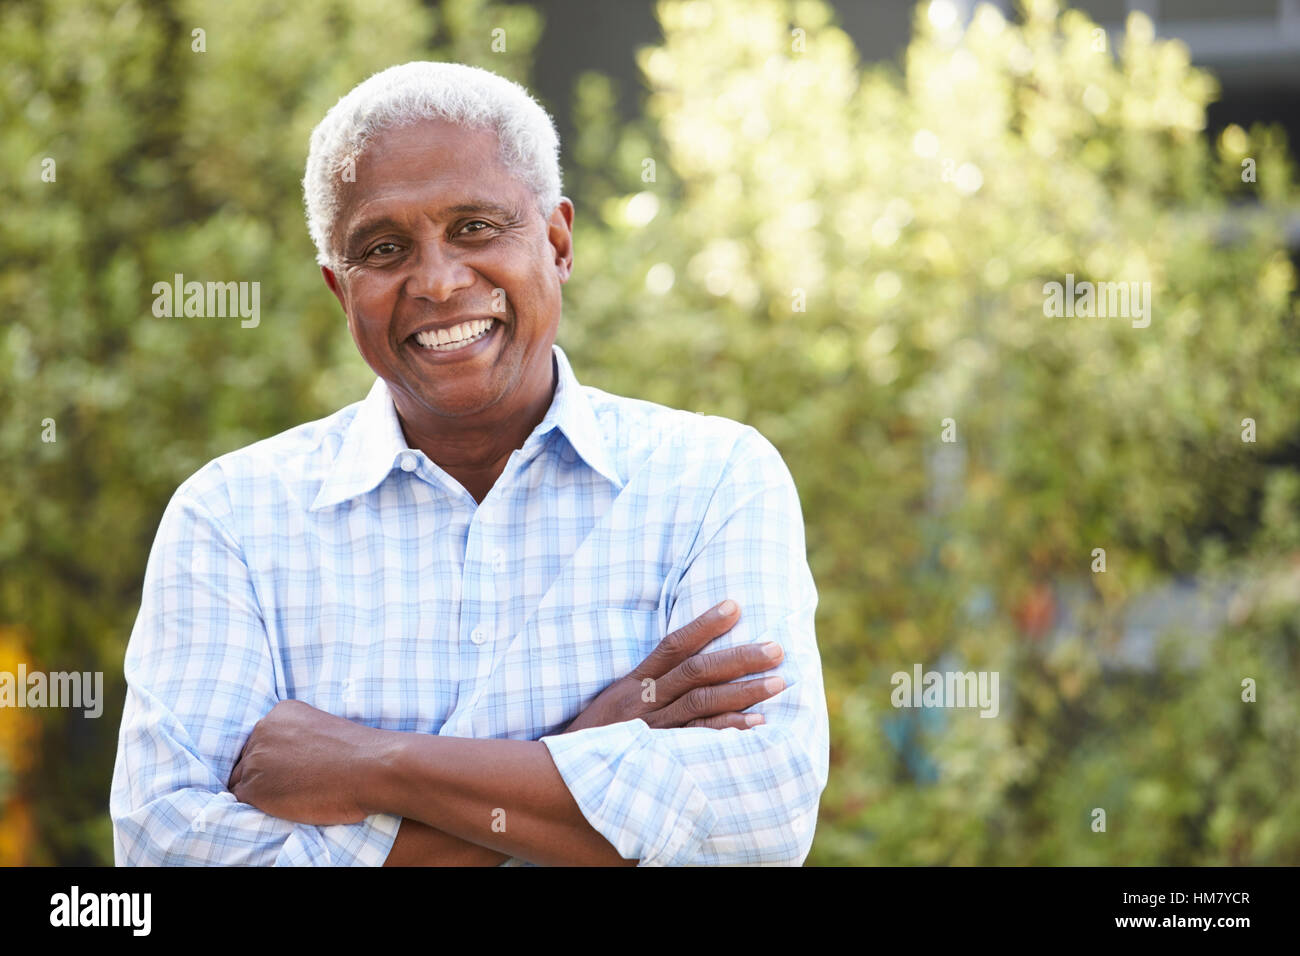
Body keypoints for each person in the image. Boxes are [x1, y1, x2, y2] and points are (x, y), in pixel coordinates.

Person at [109, 61, 828, 866]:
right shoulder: (231, 518)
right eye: (384, 249)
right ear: (340, 291)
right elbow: (167, 851)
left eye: (476, 228)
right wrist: (586, 757)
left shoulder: (712, 481)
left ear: (557, 243)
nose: (441, 282)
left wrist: (370, 764)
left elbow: (756, 823)